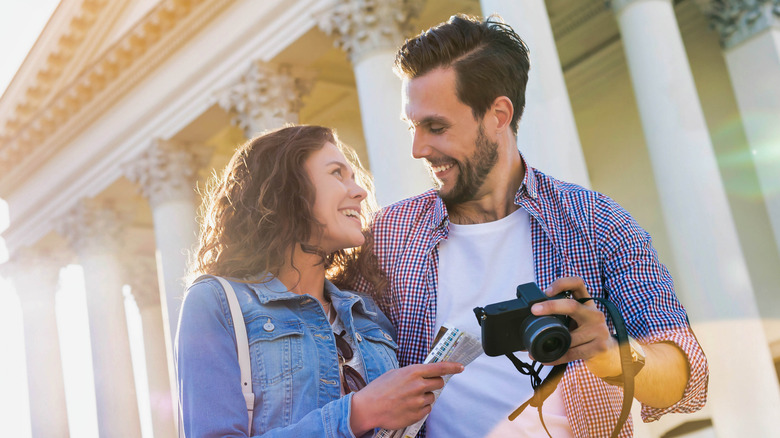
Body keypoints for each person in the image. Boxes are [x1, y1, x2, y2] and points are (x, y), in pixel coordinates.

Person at [354, 15, 709, 437]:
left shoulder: (597, 222)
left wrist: (610, 355)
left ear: (498, 115)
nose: (418, 149)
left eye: (436, 127)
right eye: (412, 127)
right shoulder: (390, 234)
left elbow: (686, 378)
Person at [175, 125, 463, 437]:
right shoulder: (216, 302)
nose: (360, 191)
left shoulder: (367, 310)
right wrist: (357, 413)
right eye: (337, 173)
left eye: (353, 177)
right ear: (288, 190)